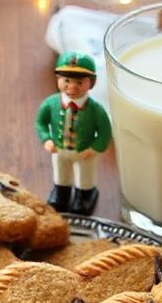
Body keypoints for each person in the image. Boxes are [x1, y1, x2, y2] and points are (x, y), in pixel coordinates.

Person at [35, 52, 112, 215]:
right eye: (67, 81)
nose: (72, 87)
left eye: (79, 82)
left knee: (85, 178)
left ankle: (85, 196)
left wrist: (95, 148)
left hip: (85, 152)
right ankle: (61, 195)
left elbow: (105, 131)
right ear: (58, 80)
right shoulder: (51, 104)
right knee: (61, 175)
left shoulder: (96, 110)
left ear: (91, 83)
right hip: (60, 150)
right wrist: (46, 139)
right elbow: (41, 122)